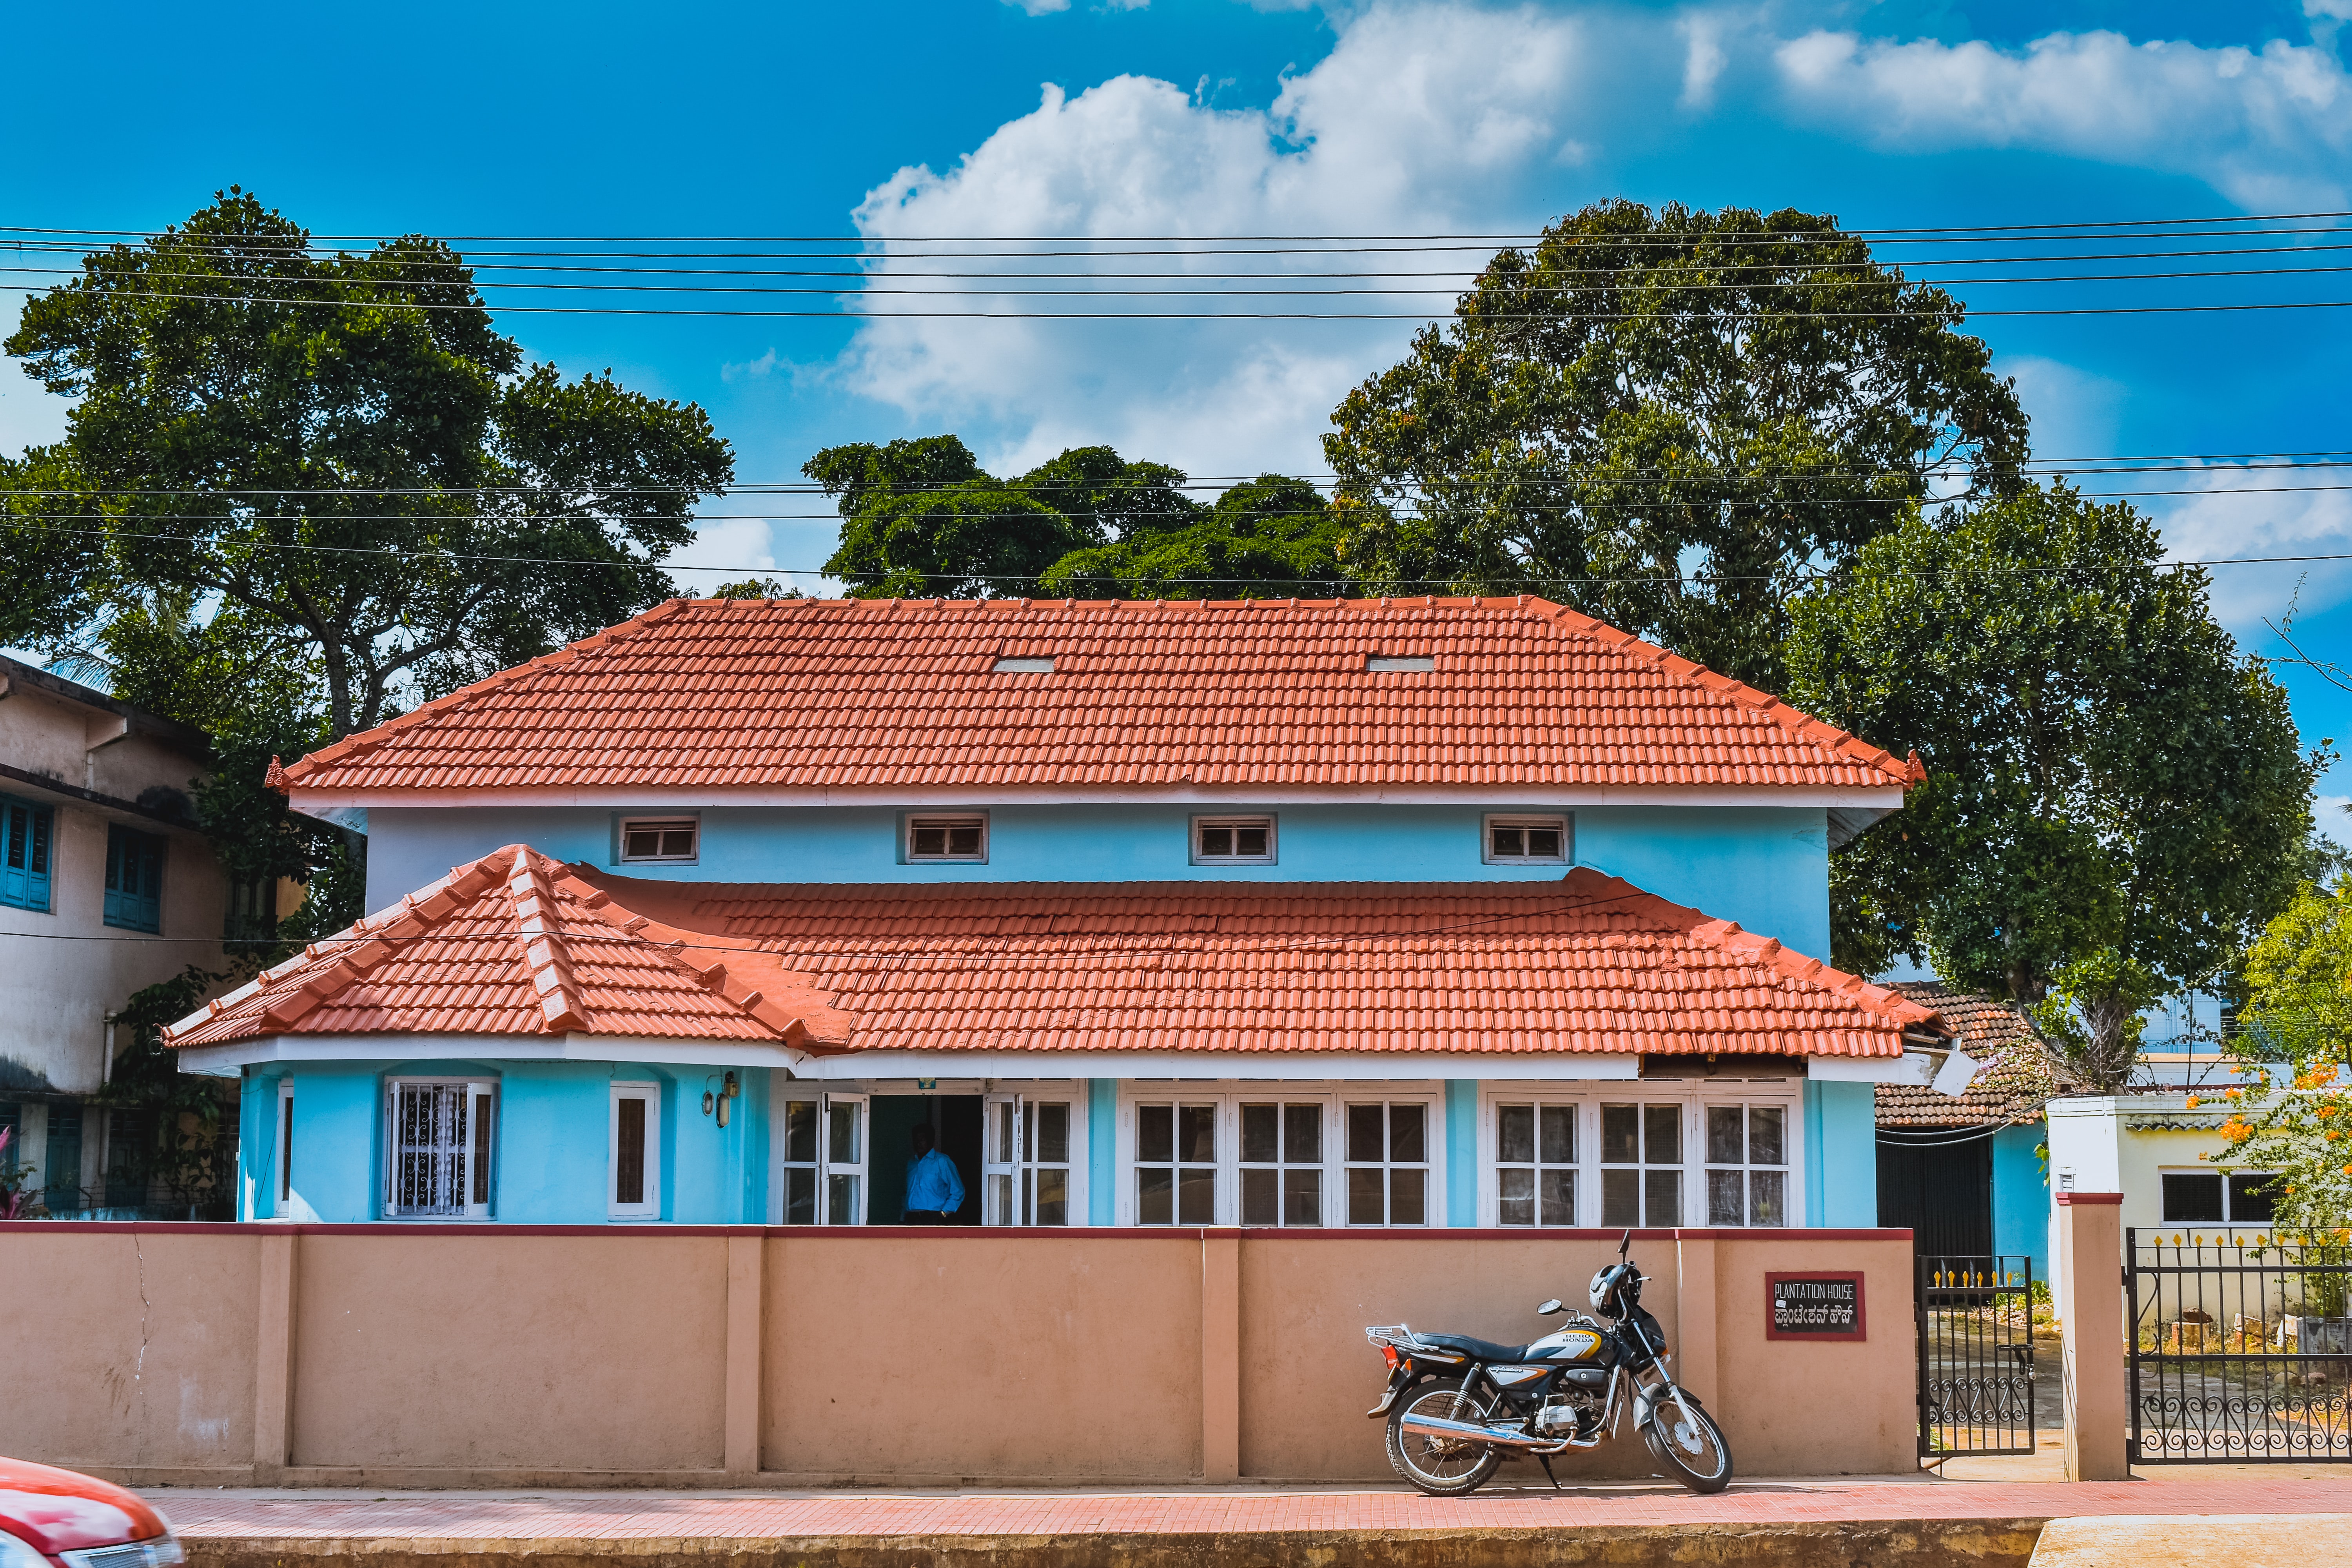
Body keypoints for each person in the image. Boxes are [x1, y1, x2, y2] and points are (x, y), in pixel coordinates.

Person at [902, 1123, 965, 1223]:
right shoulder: (912, 1163)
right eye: (916, 1140)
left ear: (931, 1141)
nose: (919, 1143)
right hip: (911, 1217)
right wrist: (902, 1218)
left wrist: (943, 1214)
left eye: (922, 1140)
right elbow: (906, 1193)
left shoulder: (942, 1162)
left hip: (933, 1217)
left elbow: (958, 1191)